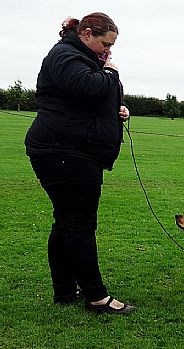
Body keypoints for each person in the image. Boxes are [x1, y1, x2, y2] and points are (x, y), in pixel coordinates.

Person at [24, 13, 134, 314]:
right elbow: (86, 87)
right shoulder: (65, 55)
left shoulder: (81, 57)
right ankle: (96, 296)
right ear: (86, 34)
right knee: (79, 224)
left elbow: (85, 99)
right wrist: (111, 74)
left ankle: (64, 289)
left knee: (66, 222)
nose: (107, 52)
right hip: (64, 152)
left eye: (110, 47)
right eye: (104, 44)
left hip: (72, 149)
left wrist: (117, 109)